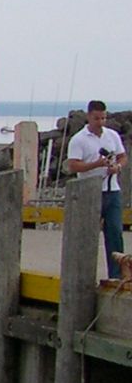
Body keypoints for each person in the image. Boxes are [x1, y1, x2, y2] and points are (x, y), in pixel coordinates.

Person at [66, 99, 125, 279]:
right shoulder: (79, 139)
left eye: (103, 118)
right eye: (97, 119)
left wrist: (117, 167)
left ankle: (116, 274)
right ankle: (81, 275)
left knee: (115, 231)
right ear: (89, 117)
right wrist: (96, 164)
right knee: (86, 234)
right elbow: (73, 165)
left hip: (112, 189)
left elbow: (123, 157)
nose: (100, 122)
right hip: (89, 191)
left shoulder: (112, 136)